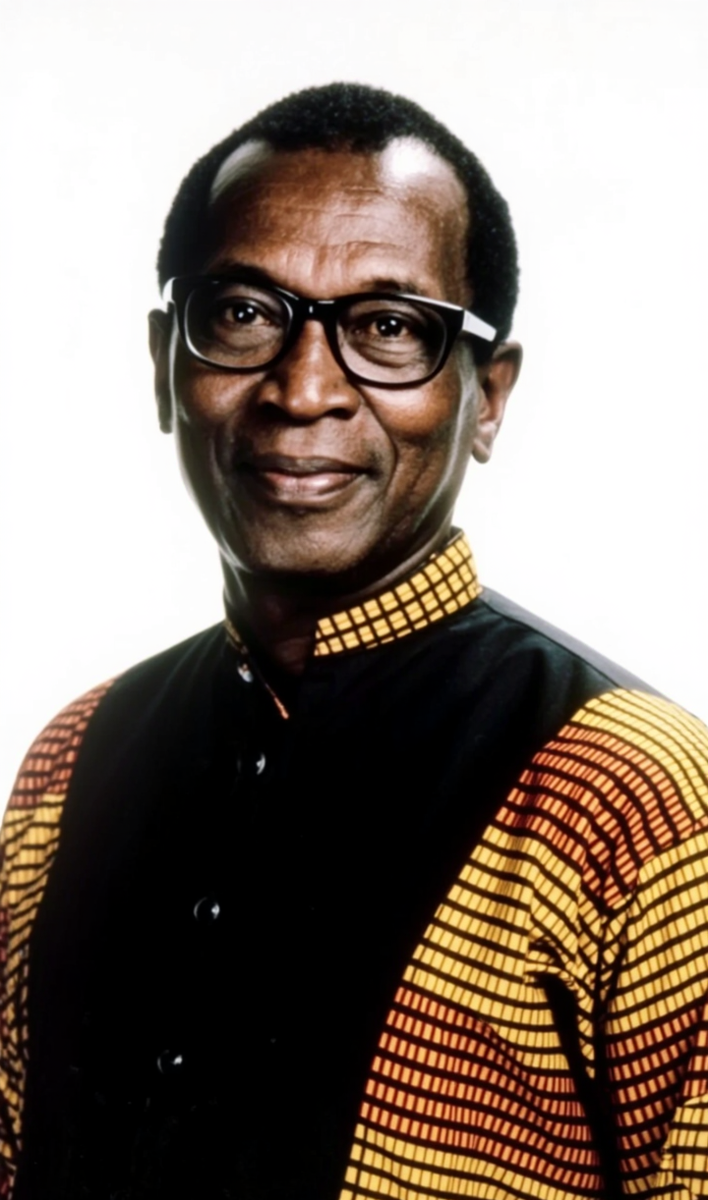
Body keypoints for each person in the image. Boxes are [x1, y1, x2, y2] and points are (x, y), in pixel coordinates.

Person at [1, 81, 707, 1200]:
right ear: (164, 363)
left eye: (388, 328)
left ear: (487, 397)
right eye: (244, 313)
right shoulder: (70, 760)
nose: (304, 390)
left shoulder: (634, 802)